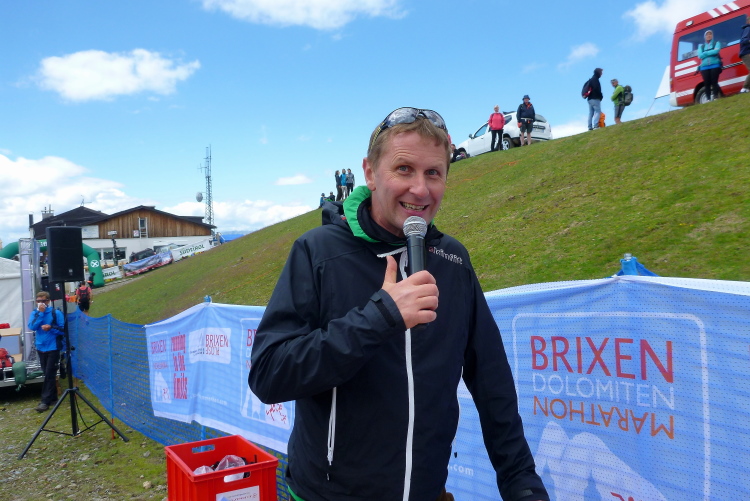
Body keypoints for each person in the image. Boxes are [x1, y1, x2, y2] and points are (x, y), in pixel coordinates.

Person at [249, 107, 549, 501]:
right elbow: (269, 374)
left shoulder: (453, 260)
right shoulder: (318, 251)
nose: (420, 190)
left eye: (433, 173)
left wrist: (521, 481)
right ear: (370, 173)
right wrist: (380, 317)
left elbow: (491, 380)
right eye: (404, 169)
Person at [28, 291, 65, 412]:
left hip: (53, 347)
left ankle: (44, 401)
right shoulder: (35, 313)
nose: (41, 303)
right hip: (40, 347)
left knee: (49, 373)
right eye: (38, 301)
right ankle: (53, 398)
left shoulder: (56, 313)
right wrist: (40, 314)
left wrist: (51, 328)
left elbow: (63, 329)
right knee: (47, 373)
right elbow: (32, 326)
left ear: (48, 301)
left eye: (43, 301)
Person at [698, 30, 722, 101]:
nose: (709, 35)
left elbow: (716, 51)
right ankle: (708, 99)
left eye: (710, 34)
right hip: (704, 67)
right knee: (707, 83)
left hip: (715, 65)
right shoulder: (701, 46)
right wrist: (711, 52)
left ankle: (715, 97)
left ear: (712, 36)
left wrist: (705, 53)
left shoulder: (716, 43)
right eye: (707, 34)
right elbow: (699, 56)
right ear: (705, 37)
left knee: (714, 82)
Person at [739, 15, 750, 93]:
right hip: (746, 53)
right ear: (748, 21)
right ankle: (744, 88)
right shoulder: (748, 28)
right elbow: (743, 40)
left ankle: (747, 89)